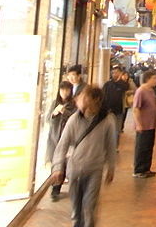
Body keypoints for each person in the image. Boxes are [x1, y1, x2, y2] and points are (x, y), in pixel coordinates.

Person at [51, 85, 116, 227]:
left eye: (83, 97)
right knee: (76, 210)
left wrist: (111, 167)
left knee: (89, 206)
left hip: (95, 169)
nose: (78, 100)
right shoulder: (74, 119)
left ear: (94, 100)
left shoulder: (107, 120)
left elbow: (111, 145)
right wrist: (57, 167)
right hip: (74, 169)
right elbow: (63, 144)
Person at [47, 81, 77, 200]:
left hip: (68, 139)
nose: (64, 92)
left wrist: (65, 112)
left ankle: (64, 186)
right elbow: (47, 118)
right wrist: (54, 114)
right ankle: (55, 188)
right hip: (55, 138)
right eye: (62, 90)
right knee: (56, 163)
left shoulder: (74, 104)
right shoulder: (55, 103)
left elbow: (75, 119)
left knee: (66, 163)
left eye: (67, 90)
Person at [132, 70, 156, 177]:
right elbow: (136, 109)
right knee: (141, 147)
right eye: (154, 78)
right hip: (143, 125)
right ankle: (138, 170)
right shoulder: (141, 91)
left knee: (149, 146)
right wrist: (138, 124)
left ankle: (146, 168)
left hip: (151, 124)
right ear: (148, 79)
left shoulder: (151, 91)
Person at [102, 66, 129, 146]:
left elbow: (126, 87)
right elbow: (103, 95)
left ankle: (115, 146)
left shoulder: (123, 84)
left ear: (120, 73)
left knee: (117, 130)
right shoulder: (107, 84)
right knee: (106, 128)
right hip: (107, 110)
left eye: (116, 72)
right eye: (113, 72)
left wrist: (120, 79)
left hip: (118, 111)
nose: (114, 74)